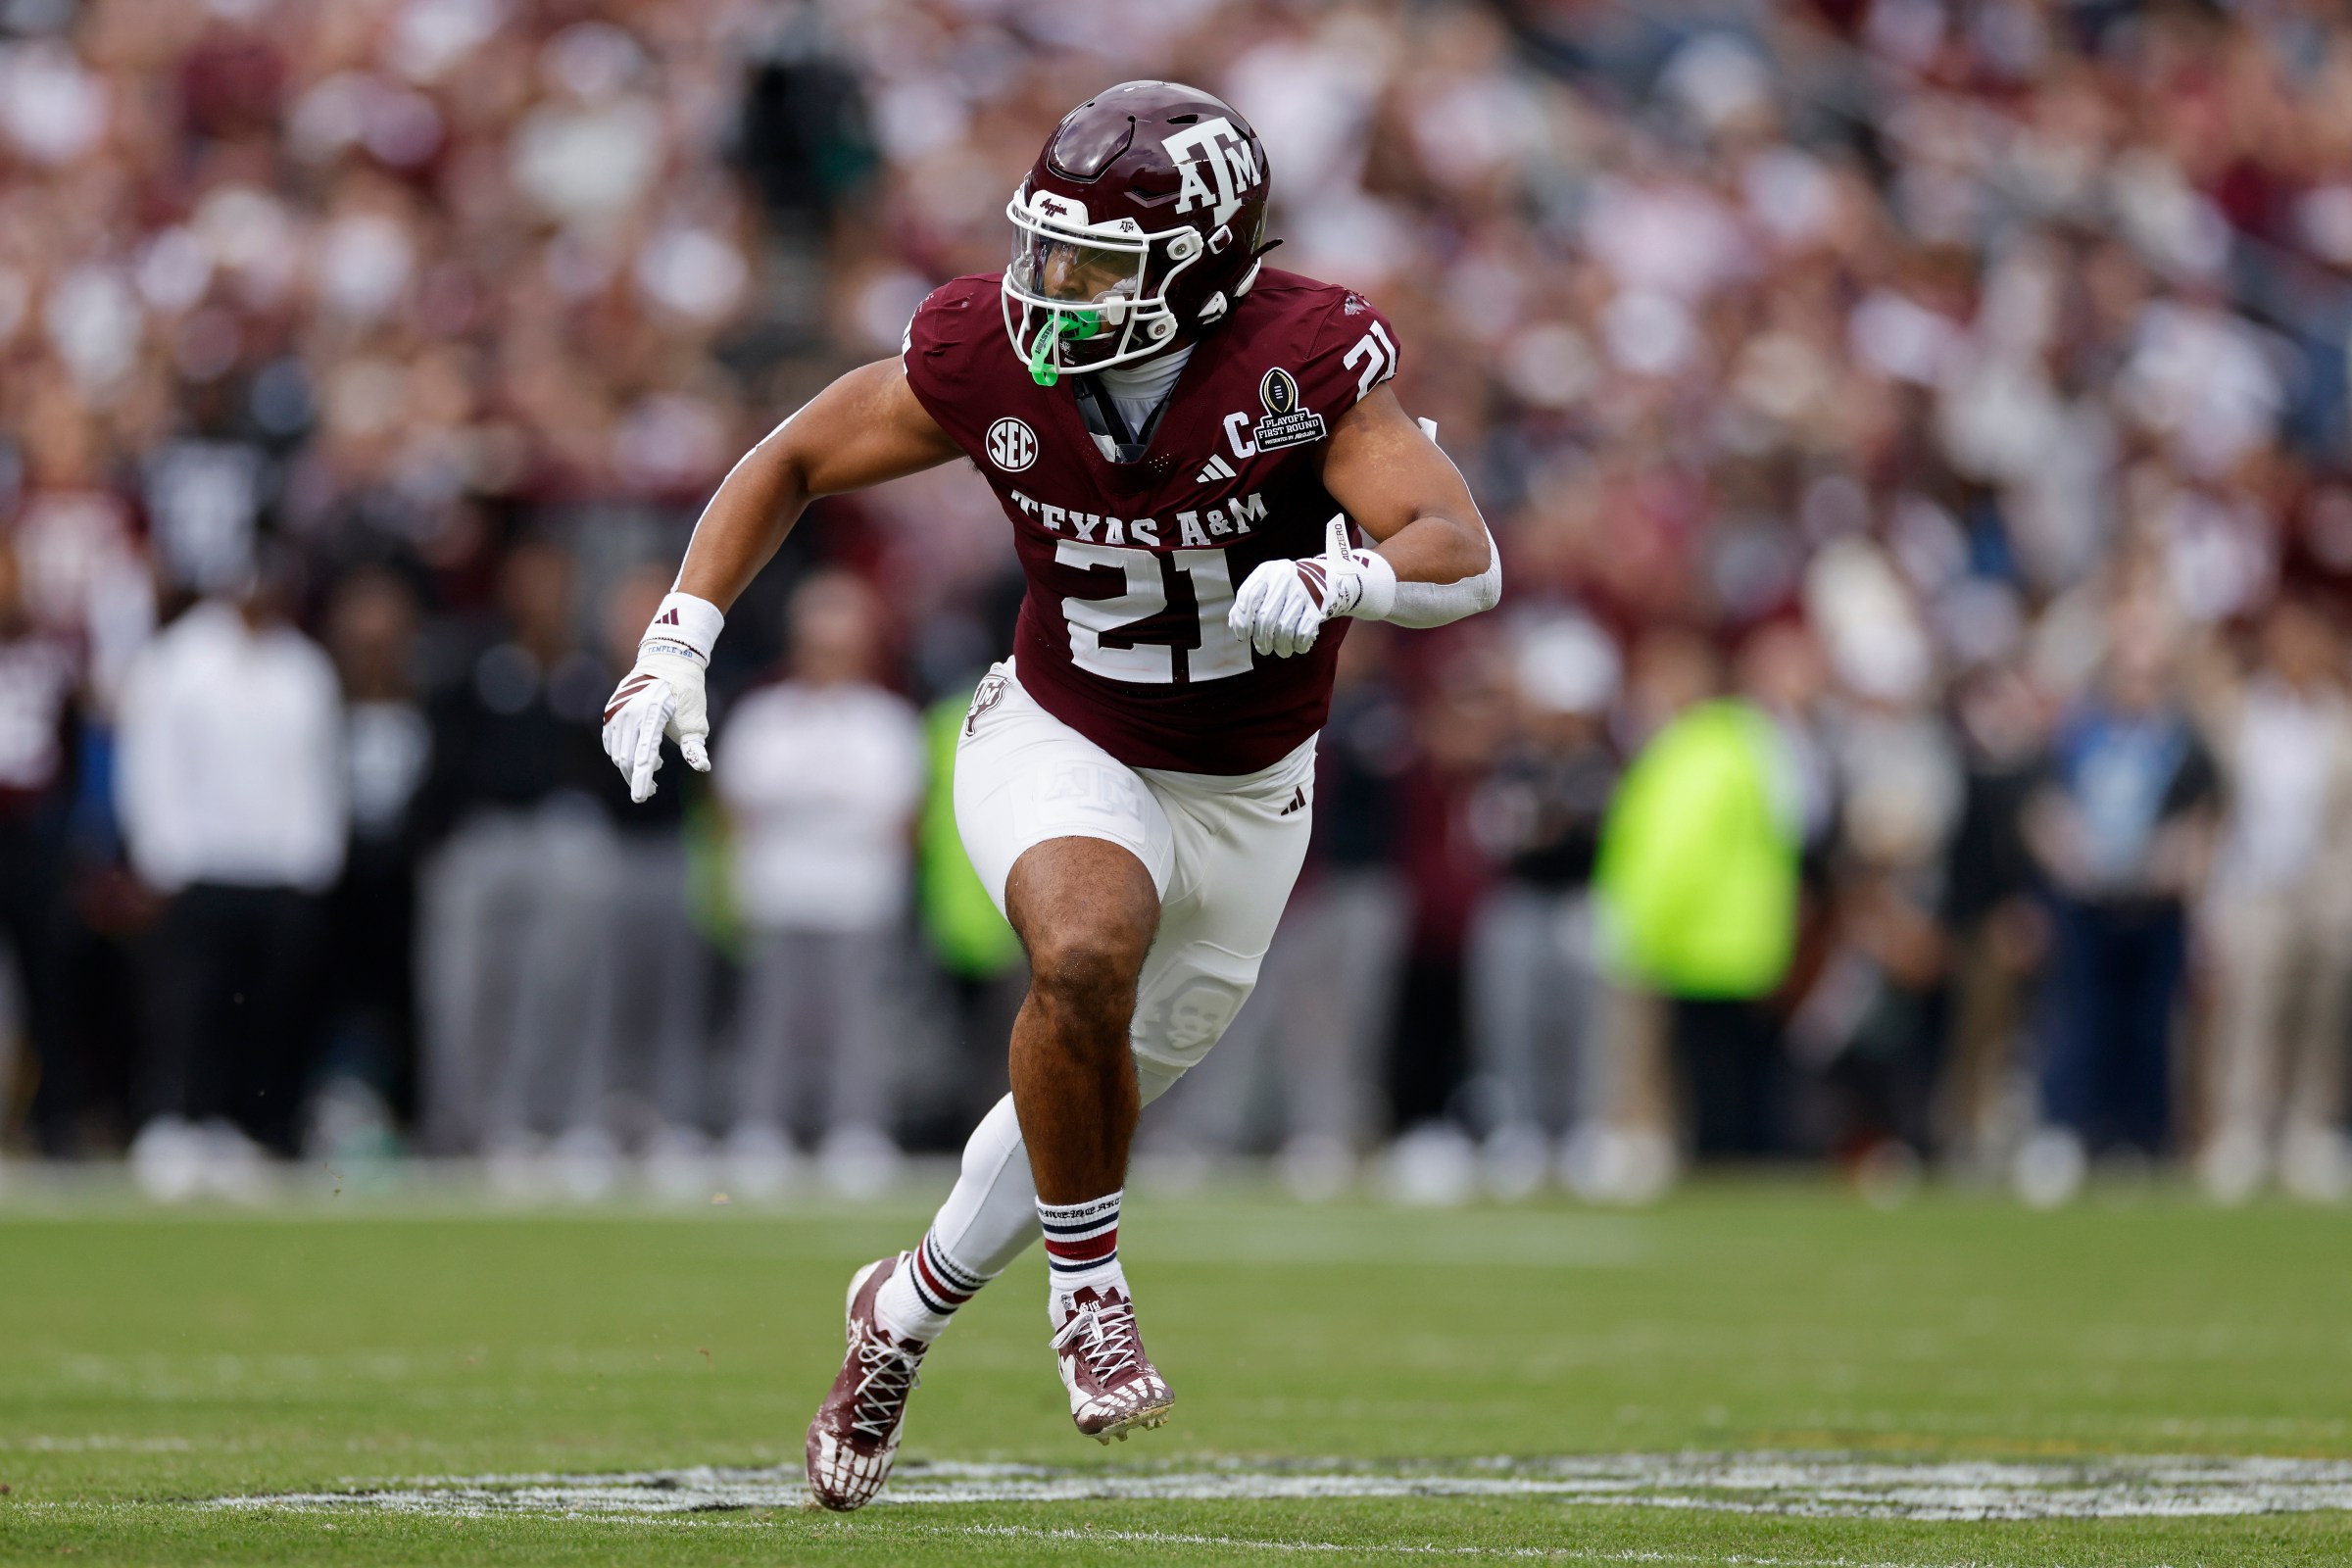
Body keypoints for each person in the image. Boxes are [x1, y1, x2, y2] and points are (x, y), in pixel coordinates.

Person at [600, 82, 1497, 1509]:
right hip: (1060, 730)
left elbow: (1465, 548)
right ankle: (1091, 1295)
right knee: (1082, 952)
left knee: (1090, 1090)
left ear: (1201, 266)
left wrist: (1350, 576)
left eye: (1091, 263)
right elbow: (796, 456)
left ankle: (900, 1310)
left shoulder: (1303, 361)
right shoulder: (988, 350)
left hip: (1251, 788)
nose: (1048, 288)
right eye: (1044, 247)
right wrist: (679, 636)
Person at [115, 551, 346, 1194]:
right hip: (197, 864)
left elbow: (318, 771)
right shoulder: (176, 662)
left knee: (266, 1010)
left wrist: (312, 861)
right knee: (188, 1005)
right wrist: (161, 854)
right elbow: (152, 763)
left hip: (277, 868)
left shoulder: (303, 666)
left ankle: (241, 1126)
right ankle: (172, 1122)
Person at [714, 569, 924, 1196]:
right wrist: (832, 803)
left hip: (858, 894)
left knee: (858, 1022)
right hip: (778, 889)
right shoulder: (764, 715)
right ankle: (762, 1128)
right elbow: (738, 801)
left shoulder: (888, 721)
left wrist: (805, 800)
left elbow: (896, 814)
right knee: (770, 1019)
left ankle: (856, 1128)